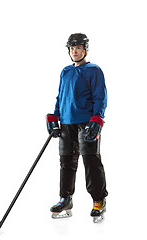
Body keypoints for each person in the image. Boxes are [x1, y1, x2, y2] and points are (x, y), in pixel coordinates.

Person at [46, 33, 108, 223]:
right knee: (66, 162)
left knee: (91, 162)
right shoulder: (65, 71)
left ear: (85, 49)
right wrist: (54, 117)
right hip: (66, 123)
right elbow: (60, 96)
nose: (75, 51)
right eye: (72, 48)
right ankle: (66, 199)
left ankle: (99, 200)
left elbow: (100, 97)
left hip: (86, 124)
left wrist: (97, 120)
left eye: (78, 48)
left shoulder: (94, 70)